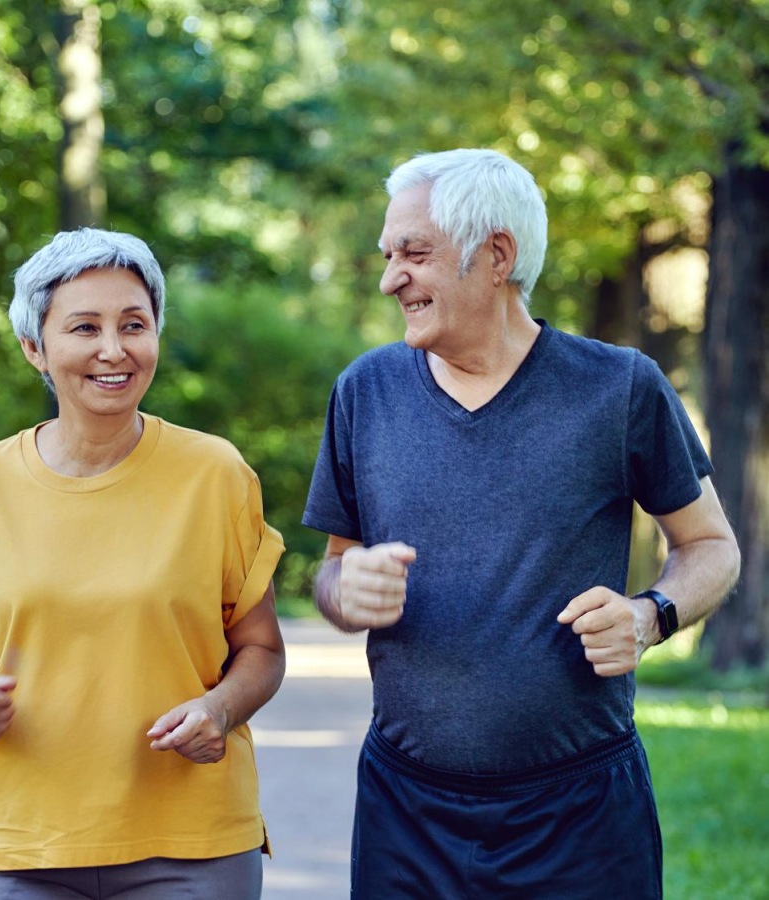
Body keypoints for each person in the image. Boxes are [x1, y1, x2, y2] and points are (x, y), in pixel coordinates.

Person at [302, 149, 740, 899]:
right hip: (406, 813)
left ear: (496, 254)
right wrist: (344, 588)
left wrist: (649, 615)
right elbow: (334, 570)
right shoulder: (364, 392)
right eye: (388, 255)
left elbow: (711, 546)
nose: (389, 278)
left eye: (414, 253)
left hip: (582, 815)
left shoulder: (620, 387)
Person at [0, 228, 286, 899]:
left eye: (134, 325)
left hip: (191, 847)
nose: (114, 350)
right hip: (19, 846)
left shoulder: (216, 474)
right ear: (35, 347)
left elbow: (261, 649)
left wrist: (221, 709)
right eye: (84, 327)